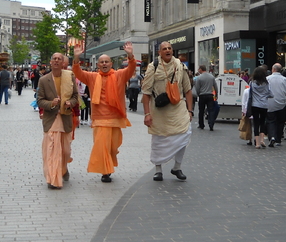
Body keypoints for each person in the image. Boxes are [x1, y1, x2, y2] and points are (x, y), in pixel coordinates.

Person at [72, 42, 136, 183]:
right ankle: (105, 172)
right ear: (98, 65)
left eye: (107, 61)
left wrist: (130, 55)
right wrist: (76, 57)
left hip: (116, 118)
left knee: (113, 146)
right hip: (100, 119)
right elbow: (78, 73)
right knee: (102, 146)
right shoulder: (93, 77)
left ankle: (108, 166)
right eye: (102, 62)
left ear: (111, 63)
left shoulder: (119, 75)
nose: (104, 64)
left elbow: (131, 69)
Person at [140, 41, 194, 181]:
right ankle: (158, 170)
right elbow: (146, 93)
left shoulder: (180, 66)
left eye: (170, 48)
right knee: (159, 139)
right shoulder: (153, 67)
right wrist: (147, 114)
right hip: (159, 110)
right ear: (160, 52)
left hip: (178, 108)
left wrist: (190, 111)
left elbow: (188, 90)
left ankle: (177, 167)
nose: (168, 50)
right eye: (164, 49)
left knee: (184, 134)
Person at [37, 53, 79, 189]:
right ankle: (53, 179)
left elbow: (75, 96)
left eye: (59, 59)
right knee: (52, 150)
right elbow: (40, 100)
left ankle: (63, 168)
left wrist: (70, 103)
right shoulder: (43, 80)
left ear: (63, 63)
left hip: (65, 118)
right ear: (50, 62)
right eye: (54, 58)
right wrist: (51, 103)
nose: (56, 61)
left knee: (65, 151)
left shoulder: (69, 76)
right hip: (51, 120)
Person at [265, 63, 286, 147]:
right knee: (280, 122)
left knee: (271, 121)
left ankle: (272, 136)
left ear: (273, 69)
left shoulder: (267, 79)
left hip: (270, 103)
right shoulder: (284, 80)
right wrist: (284, 98)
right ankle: (278, 139)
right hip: (281, 104)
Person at [247, 66, 273, 149]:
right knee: (263, 122)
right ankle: (262, 140)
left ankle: (257, 143)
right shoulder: (266, 83)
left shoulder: (252, 83)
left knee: (256, 123)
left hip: (255, 105)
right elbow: (271, 94)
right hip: (264, 105)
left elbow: (250, 93)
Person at [194, 65, 218, 131]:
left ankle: (201, 124)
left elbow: (197, 88)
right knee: (211, 110)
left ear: (201, 69)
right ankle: (211, 124)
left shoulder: (199, 78)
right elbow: (215, 86)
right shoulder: (211, 77)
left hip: (202, 95)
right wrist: (216, 95)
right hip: (210, 95)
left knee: (201, 110)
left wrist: (198, 94)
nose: (198, 70)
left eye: (198, 69)